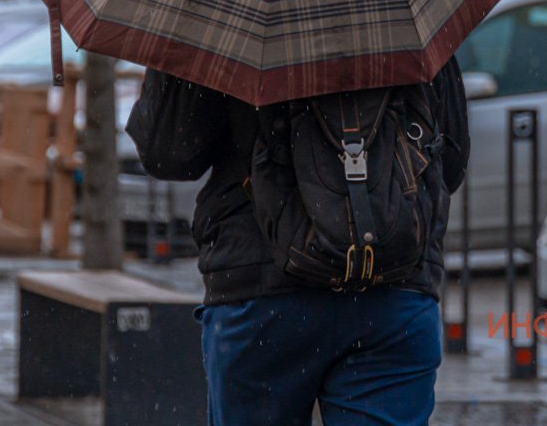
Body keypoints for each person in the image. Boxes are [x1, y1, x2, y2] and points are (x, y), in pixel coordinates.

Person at [125, 58, 469, 426]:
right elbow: (450, 161)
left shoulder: (232, 19)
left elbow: (169, 155)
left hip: (261, 288)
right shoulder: (404, 13)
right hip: (393, 283)